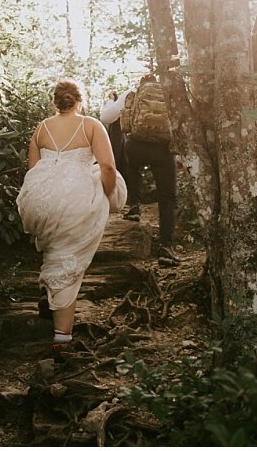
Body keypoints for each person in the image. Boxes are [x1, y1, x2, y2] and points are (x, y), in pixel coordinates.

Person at [16, 78, 126, 353]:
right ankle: (62, 341)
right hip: (76, 200)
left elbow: (33, 171)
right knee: (69, 262)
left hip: (41, 198)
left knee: (55, 253)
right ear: (80, 101)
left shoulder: (41, 128)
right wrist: (108, 197)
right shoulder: (91, 125)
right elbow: (108, 168)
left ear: (55, 102)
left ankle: (47, 294)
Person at [123, 73, 180, 267]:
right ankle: (165, 248)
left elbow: (126, 124)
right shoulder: (169, 94)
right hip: (163, 150)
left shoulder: (134, 94)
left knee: (132, 166)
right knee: (168, 198)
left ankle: (134, 206)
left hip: (136, 145)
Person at [100, 89, 130, 189]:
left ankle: (134, 200)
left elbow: (105, 117)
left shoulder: (129, 93)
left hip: (127, 142)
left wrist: (111, 100)